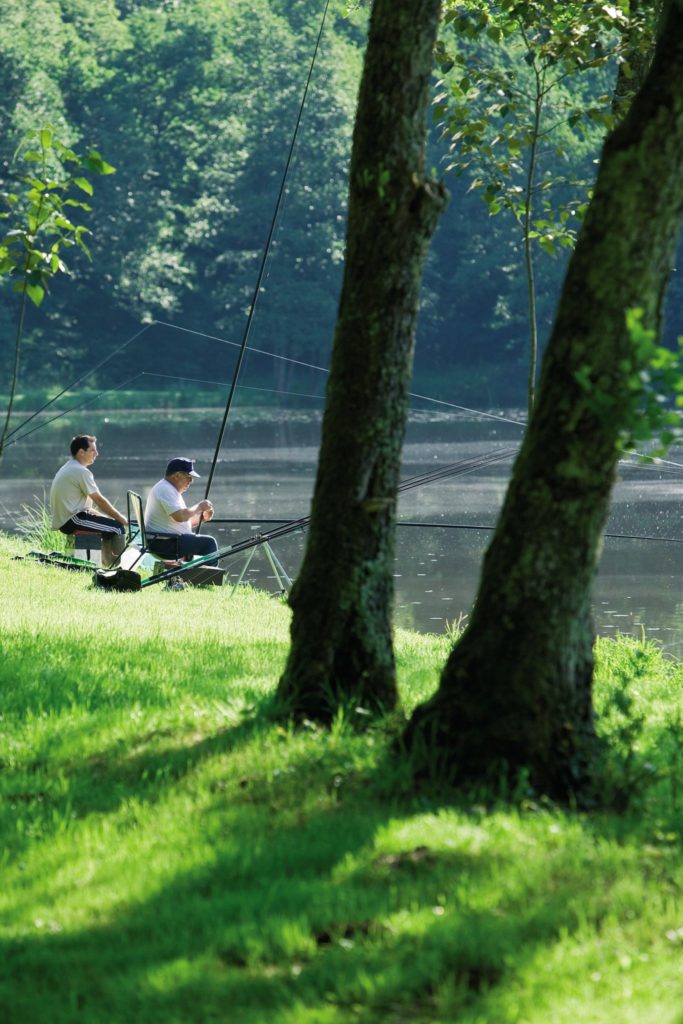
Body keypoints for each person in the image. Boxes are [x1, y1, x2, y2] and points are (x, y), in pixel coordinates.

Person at [50, 434, 128, 568]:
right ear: (81, 452)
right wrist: (120, 517)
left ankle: (106, 565)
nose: (96, 454)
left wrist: (101, 516)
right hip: (73, 520)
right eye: (93, 450)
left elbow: (79, 502)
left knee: (111, 526)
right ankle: (117, 569)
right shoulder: (80, 471)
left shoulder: (70, 466)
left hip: (69, 519)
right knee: (117, 528)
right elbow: (99, 499)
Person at [144, 457, 219, 565]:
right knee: (209, 543)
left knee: (200, 542)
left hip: (166, 541)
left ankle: (197, 577)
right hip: (164, 544)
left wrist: (202, 518)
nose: (191, 481)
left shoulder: (169, 489)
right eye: (188, 477)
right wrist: (199, 507)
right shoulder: (165, 489)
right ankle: (210, 578)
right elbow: (180, 516)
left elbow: (180, 520)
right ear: (177, 475)